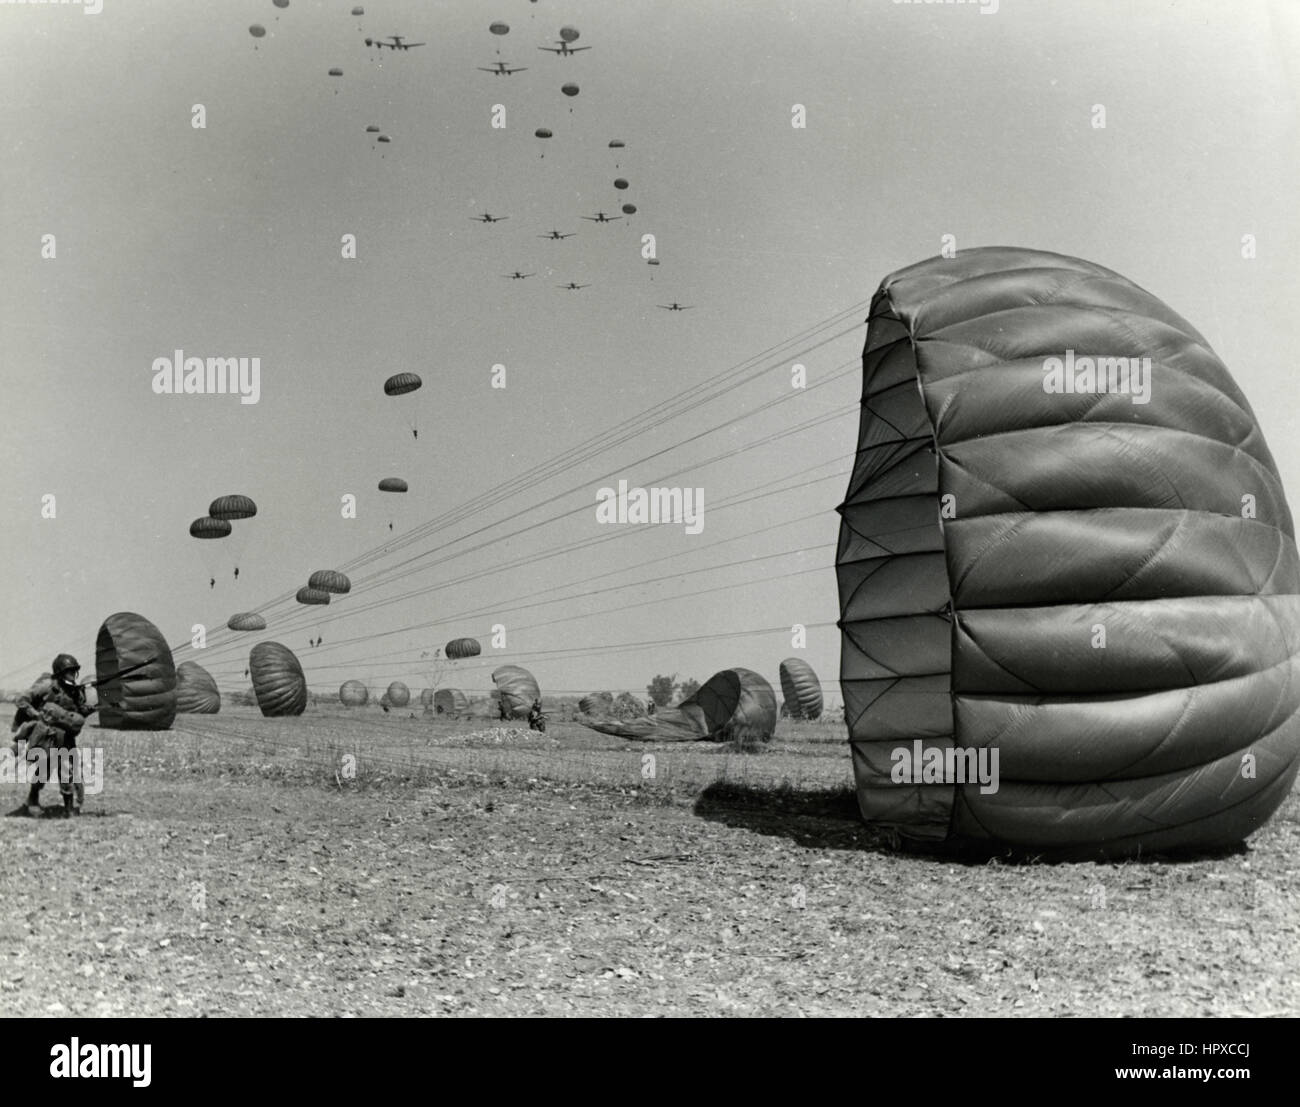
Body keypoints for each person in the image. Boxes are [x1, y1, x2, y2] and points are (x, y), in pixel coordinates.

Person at [9, 654, 96, 817]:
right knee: (44, 769)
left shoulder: (76, 692)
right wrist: (36, 715)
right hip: (47, 735)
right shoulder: (47, 686)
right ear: (60, 672)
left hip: (66, 737)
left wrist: (90, 710)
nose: (72, 675)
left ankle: (68, 808)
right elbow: (21, 700)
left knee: (68, 770)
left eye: (74, 671)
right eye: (69, 671)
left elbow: (79, 711)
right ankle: (33, 799)